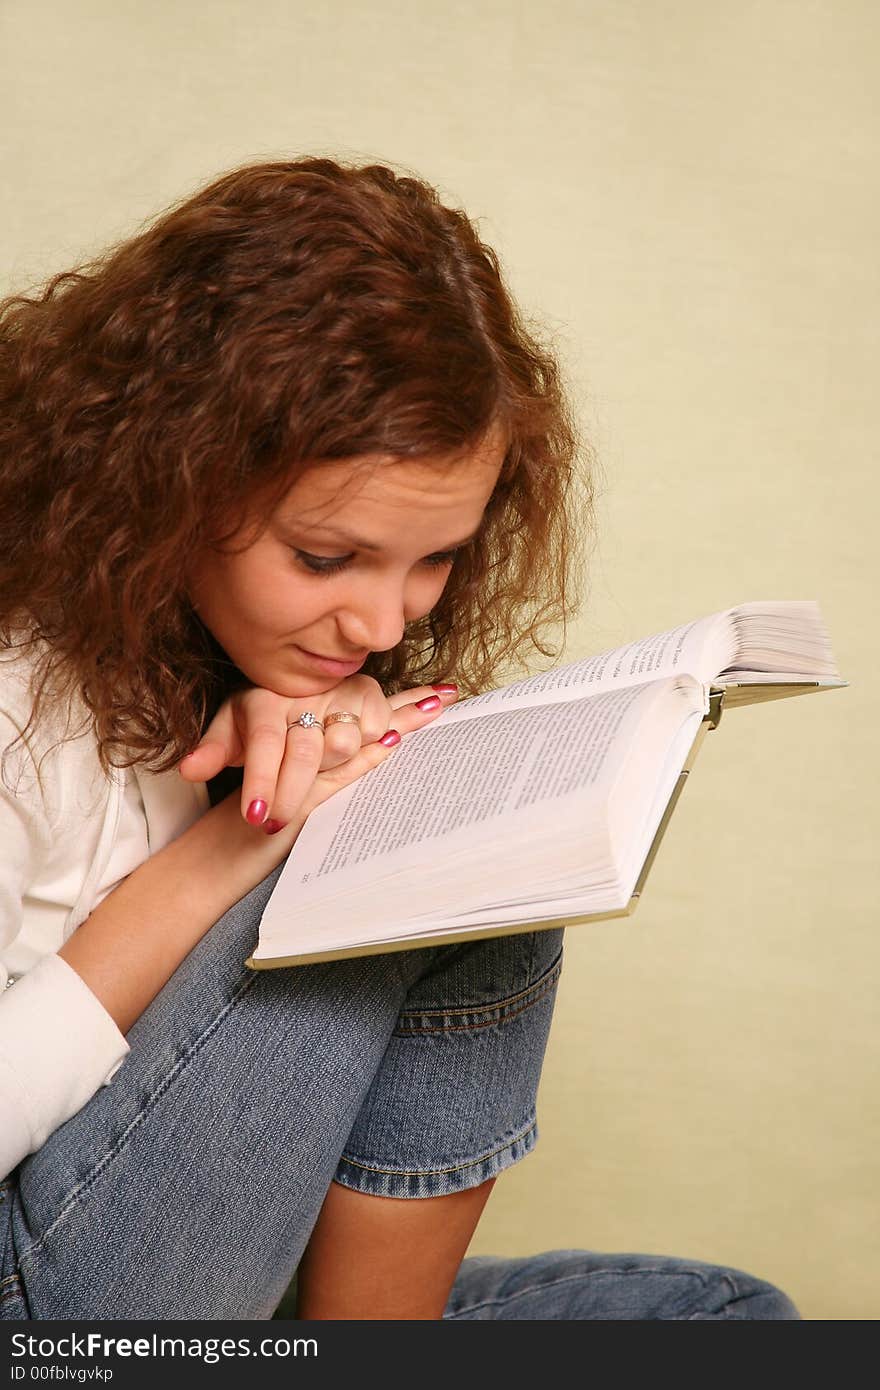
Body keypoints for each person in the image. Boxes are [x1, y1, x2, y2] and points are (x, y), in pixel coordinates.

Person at [0, 157, 799, 1320]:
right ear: (165, 478)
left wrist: (348, 787)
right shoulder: (19, 687)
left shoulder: (230, 662)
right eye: (326, 558)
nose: (383, 623)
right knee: (445, 893)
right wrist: (232, 850)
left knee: (719, 1318)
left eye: (434, 559)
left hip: (196, 1274)